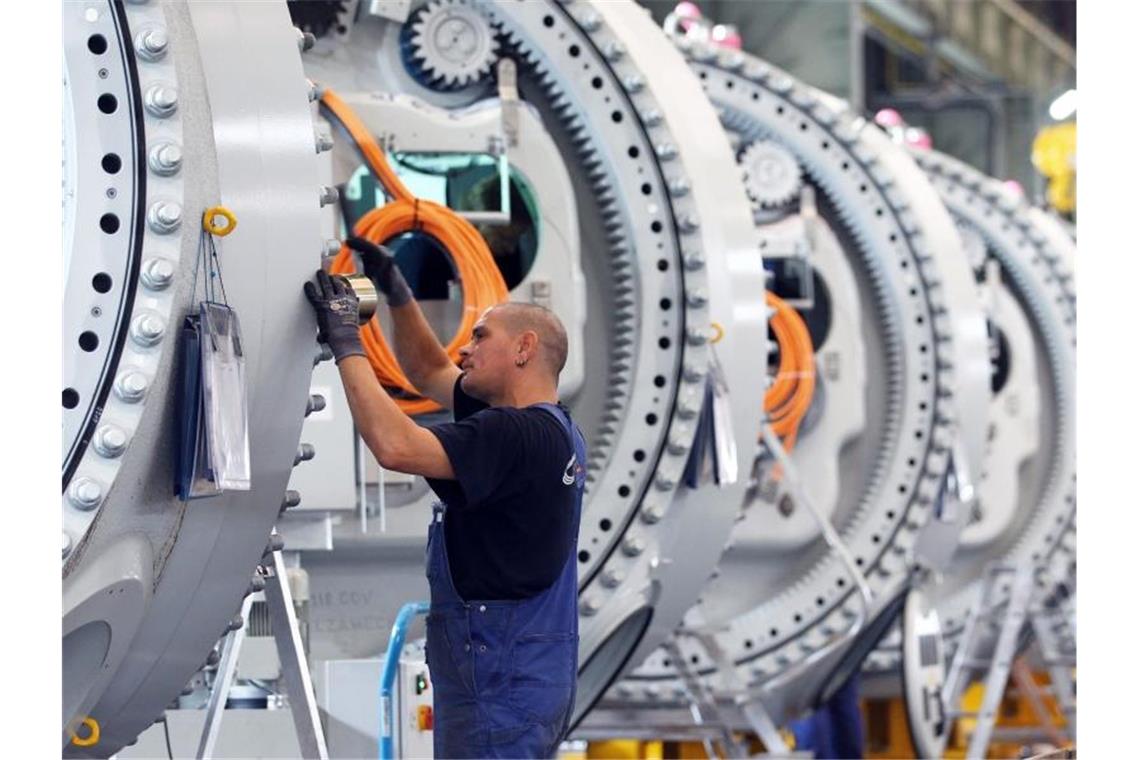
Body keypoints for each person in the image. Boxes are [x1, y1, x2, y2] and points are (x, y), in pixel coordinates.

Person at [304, 237, 586, 759]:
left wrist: (346, 341)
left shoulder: (515, 435)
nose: (465, 348)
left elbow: (395, 446)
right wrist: (396, 293)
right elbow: (428, 372)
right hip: (518, 670)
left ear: (524, 348)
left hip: (500, 675)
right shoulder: (555, 431)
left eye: (480, 337)